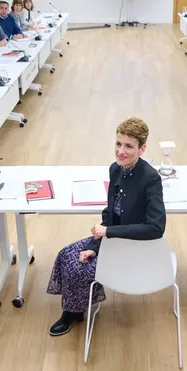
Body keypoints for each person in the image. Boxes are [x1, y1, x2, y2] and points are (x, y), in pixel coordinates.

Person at [46, 118, 166, 336]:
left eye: (129, 146)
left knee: (79, 268)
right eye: (118, 144)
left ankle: (72, 312)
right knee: (67, 255)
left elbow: (156, 228)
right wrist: (95, 245)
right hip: (114, 240)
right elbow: (110, 214)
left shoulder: (150, 178)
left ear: (142, 149)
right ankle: (75, 310)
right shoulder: (116, 169)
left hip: (136, 249)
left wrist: (108, 233)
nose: (121, 151)